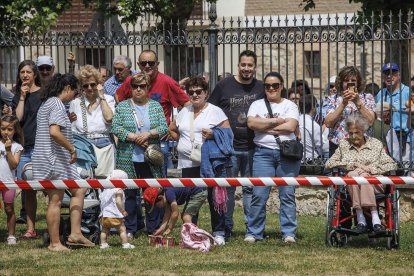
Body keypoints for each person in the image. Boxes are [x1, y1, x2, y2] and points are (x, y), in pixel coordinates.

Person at [32, 73, 94, 251]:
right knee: (56, 200)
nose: (75, 97)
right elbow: (54, 132)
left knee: (79, 188)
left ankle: (75, 233)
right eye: (75, 93)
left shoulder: (48, 103)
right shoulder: (58, 103)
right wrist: (72, 149)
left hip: (49, 158)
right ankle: (55, 243)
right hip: (53, 160)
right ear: (67, 88)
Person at [209, 50, 265, 240]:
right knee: (229, 188)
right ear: (238, 65)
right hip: (228, 147)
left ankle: (251, 228)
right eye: (243, 65)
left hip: (253, 147)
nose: (246, 68)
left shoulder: (261, 87)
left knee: (250, 188)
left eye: (250, 65)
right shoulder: (224, 85)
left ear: (255, 66)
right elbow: (211, 109)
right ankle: (226, 227)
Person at [169, 76, 231, 245]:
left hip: (210, 164)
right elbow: (172, 128)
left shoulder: (215, 111)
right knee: (192, 199)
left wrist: (213, 134)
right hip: (187, 164)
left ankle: (219, 232)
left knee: (214, 198)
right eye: (191, 92)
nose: (195, 95)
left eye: (199, 92)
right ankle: (192, 231)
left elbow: (228, 134)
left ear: (206, 93)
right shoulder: (184, 111)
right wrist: (181, 142)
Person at [116, 50, 190, 178]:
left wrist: (172, 125)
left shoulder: (167, 82)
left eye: (151, 62)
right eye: (143, 63)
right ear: (138, 65)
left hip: (158, 141)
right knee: (131, 187)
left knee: (156, 185)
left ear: (157, 64)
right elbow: (118, 96)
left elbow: (187, 104)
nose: (147, 66)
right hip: (131, 143)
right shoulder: (132, 80)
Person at [245, 71, 300, 243]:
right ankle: (254, 233)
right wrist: (277, 122)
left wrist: (264, 126)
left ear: (282, 86)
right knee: (259, 195)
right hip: (262, 153)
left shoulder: (290, 105)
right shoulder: (256, 104)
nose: (271, 88)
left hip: (287, 154)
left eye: (275, 85)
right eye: (267, 86)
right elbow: (251, 124)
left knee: (287, 194)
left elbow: (291, 127)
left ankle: (289, 233)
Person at [112, 72, 168, 237]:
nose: (138, 90)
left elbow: (164, 127)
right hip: (128, 157)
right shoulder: (122, 106)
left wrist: (149, 134)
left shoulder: (155, 106)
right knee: (128, 193)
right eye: (135, 86)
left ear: (148, 88)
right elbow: (116, 127)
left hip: (150, 158)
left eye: (142, 86)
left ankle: (153, 227)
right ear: (130, 88)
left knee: (152, 193)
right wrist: (134, 137)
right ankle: (130, 228)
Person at [325, 113, 398, 234]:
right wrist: (353, 166)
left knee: (363, 177)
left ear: (364, 130)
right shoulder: (344, 144)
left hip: (376, 184)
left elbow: (391, 164)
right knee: (353, 175)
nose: (353, 136)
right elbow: (329, 163)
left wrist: (370, 169)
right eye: (351, 133)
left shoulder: (375, 144)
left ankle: (372, 218)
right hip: (352, 185)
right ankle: (362, 219)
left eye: (357, 132)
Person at [11, 60, 42, 238]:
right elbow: (18, 120)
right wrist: (22, 97)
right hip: (25, 147)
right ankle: (31, 228)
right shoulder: (17, 96)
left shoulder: (44, 94)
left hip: (41, 147)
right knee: (28, 189)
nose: (25, 75)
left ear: (35, 74)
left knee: (48, 186)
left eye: (28, 72)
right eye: (22, 72)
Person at [325, 66, 376, 157]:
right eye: (346, 80)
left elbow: (371, 121)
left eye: (353, 80)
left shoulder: (367, 98)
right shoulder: (333, 99)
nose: (350, 83)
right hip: (338, 145)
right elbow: (328, 123)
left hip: (362, 145)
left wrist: (357, 102)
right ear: (341, 83)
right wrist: (343, 104)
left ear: (358, 82)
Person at [70, 65, 115, 149]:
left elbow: (109, 118)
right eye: (85, 86)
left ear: (99, 84)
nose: (89, 88)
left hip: (104, 143)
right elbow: (73, 130)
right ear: (81, 87)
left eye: (93, 84)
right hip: (83, 144)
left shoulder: (108, 99)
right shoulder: (75, 103)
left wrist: (101, 97)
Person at [375, 63, 410, 161]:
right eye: (386, 74)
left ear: (399, 75)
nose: (389, 76)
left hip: (403, 137)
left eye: (393, 73)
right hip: (384, 136)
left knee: (404, 168)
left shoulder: (408, 92)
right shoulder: (380, 94)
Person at [143, 186, 207, 237]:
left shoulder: (169, 194)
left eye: (157, 206)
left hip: (199, 192)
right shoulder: (166, 195)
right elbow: (167, 214)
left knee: (186, 217)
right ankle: (191, 236)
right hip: (194, 192)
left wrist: (170, 228)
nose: (158, 207)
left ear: (160, 198)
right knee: (185, 216)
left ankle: (192, 239)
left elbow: (175, 213)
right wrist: (161, 229)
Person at [0, 115, 23, 244]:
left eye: (9, 129)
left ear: (15, 131)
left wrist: (8, 150)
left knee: (9, 209)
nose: (6, 132)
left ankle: (11, 235)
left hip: (9, 182)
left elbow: (14, 165)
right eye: (3, 129)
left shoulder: (17, 147)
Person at [99, 169, 135, 249]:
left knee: (104, 230)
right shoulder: (119, 190)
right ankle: (125, 244)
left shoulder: (106, 190)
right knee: (122, 229)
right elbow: (118, 202)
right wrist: (122, 211)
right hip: (115, 215)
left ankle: (103, 244)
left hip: (105, 215)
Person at [299, 94, 322, 161]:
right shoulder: (314, 125)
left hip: (296, 159)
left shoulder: (295, 121)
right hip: (311, 160)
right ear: (313, 107)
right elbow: (319, 145)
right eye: (316, 105)